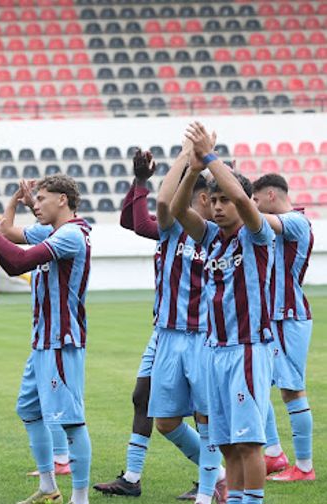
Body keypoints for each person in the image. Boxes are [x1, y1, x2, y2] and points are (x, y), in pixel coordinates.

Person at [95, 144, 226, 503]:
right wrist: (143, 180)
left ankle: (211, 483)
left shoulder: (222, 237)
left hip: (201, 335)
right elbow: (136, 221)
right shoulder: (171, 230)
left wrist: (192, 156)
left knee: (205, 414)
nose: (211, 205)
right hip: (164, 333)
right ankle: (145, 477)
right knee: (149, 404)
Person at [0, 174, 92, 504]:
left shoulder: (71, 235)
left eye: (41, 199)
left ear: (62, 200)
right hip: (42, 341)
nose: (35, 205)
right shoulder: (52, 231)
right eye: (34, 200)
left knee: (71, 421)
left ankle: (80, 498)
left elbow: (19, 260)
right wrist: (11, 204)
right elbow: (9, 234)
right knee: (28, 409)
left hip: (61, 341)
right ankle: (49, 487)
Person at [172, 122, 275, 504]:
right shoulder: (213, 239)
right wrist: (194, 169)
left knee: (248, 442)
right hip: (214, 352)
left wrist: (212, 157)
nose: (216, 207)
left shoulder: (256, 235)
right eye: (213, 202)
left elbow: (246, 202)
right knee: (228, 443)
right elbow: (178, 208)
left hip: (247, 349)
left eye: (223, 201)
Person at [251, 174, 315, 482]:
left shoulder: (297, 222)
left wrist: (238, 202)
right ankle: (274, 453)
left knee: (292, 390)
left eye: (255, 199)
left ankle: (304, 467)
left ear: (271, 196)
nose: (253, 204)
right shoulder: (280, 221)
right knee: (259, 382)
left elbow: (260, 222)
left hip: (289, 315)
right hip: (272, 317)